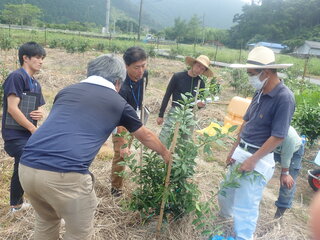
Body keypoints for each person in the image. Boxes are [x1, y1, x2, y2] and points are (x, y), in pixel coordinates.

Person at [18, 54, 171, 240]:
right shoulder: (118, 102)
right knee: (78, 234)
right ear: (117, 82)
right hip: (65, 174)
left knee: (46, 222)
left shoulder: (66, 91)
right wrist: (165, 152)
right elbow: (145, 135)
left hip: (27, 167)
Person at [218, 46, 295, 240]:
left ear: (266, 72)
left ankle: (243, 236)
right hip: (242, 151)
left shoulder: (284, 98)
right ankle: (228, 228)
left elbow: (278, 136)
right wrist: (233, 149)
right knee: (225, 194)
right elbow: (246, 122)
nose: (249, 77)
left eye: (251, 74)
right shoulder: (260, 92)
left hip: (259, 158)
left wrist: (253, 160)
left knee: (246, 205)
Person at [1, 42, 46, 213]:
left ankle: (19, 203)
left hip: (27, 134)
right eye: (37, 57)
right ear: (25, 58)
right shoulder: (16, 77)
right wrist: (33, 128)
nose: (41, 61)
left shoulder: (35, 83)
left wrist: (39, 113)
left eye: (42, 58)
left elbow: (39, 106)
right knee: (24, 160)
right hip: (15, 135)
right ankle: (15, 205)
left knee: (27, 163)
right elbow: (12, 108)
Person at [111, 46, 148, 197]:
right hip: (121, 121)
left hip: (136, 116)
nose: (141, 71)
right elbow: (118, 117)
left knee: (130, 152)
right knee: (121, 154)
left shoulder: (145, 75)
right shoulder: (120, 84)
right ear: (126, 66)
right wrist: (122, 142)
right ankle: (116, 187)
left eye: (144, 66)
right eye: (136, 67)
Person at [156, 55, 213, 148]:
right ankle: (159, 158)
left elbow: (199, 102)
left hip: (190, 114)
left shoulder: (200, 83)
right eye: (198, 66)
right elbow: (167, 95)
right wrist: (160, 115)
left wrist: (200, 105)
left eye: (202, 69)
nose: (199, 70)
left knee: (184, 142)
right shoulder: (178, 77)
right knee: (164, 137)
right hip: (176, 111)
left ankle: (176, 161)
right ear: (193, 64)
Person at [273, 126, 305, 219]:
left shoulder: (289, 136)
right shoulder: (266, 126)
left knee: (287, 184)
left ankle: (278, 216)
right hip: (274, 149)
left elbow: (286, 156)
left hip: (294, 151)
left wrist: (285, 173)